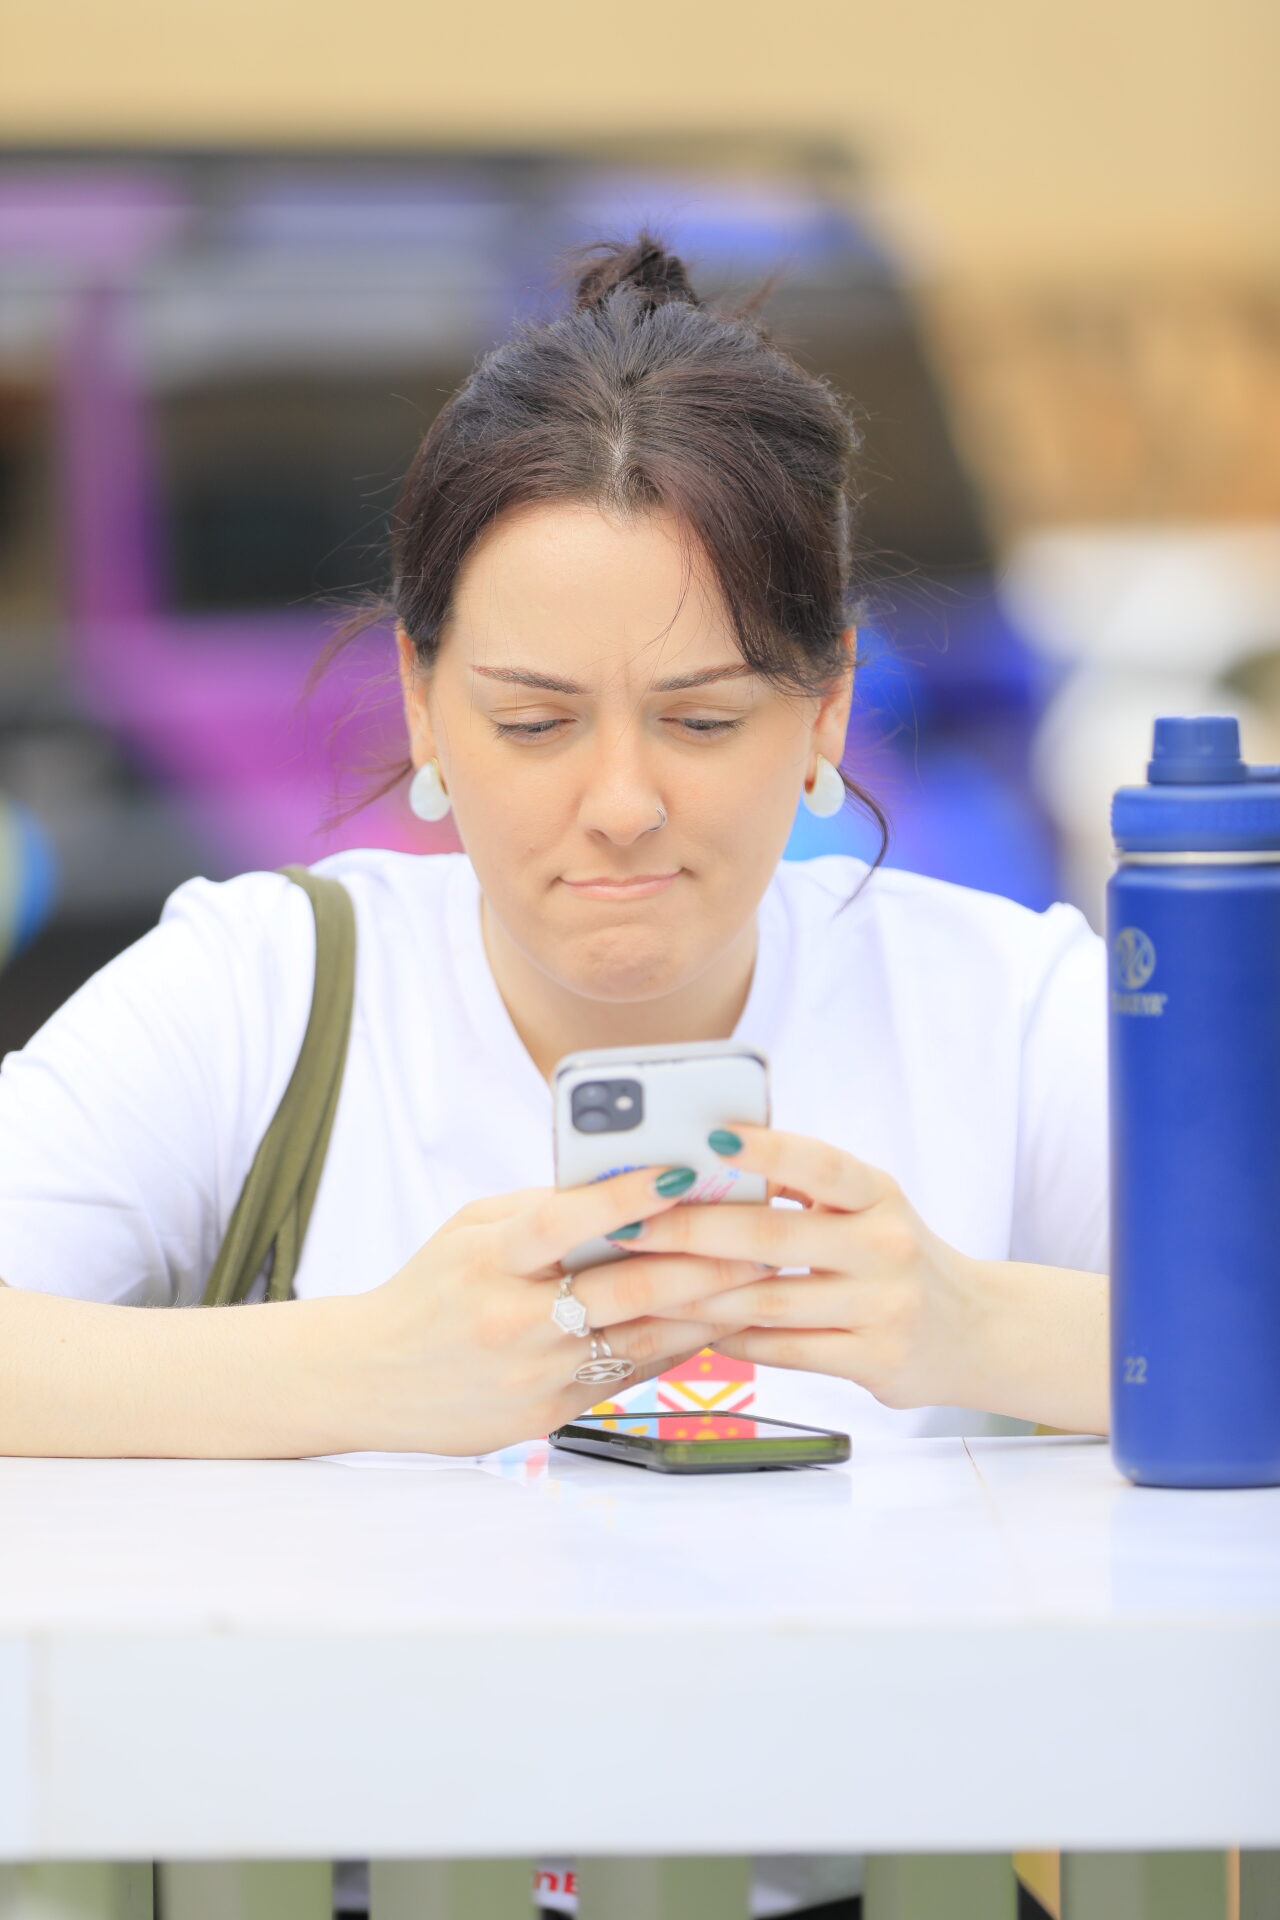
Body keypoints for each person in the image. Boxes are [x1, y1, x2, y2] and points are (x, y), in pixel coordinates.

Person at [0, 232, 1095, 1920]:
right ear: (421, 708)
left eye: (707, 718)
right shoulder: (265, 983)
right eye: (531, 721)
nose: (622, 802)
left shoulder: (999, 998)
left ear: (828, 713)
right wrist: (372, 1369)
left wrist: (965, 1323)